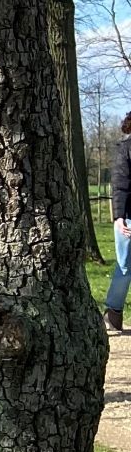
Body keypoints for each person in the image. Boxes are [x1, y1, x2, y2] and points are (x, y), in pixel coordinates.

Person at [107, 112, 131, 333]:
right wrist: (119, 217)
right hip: (128, 218)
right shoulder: (124, 149)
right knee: (125, 267)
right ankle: (113, 312)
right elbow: (120, 184)